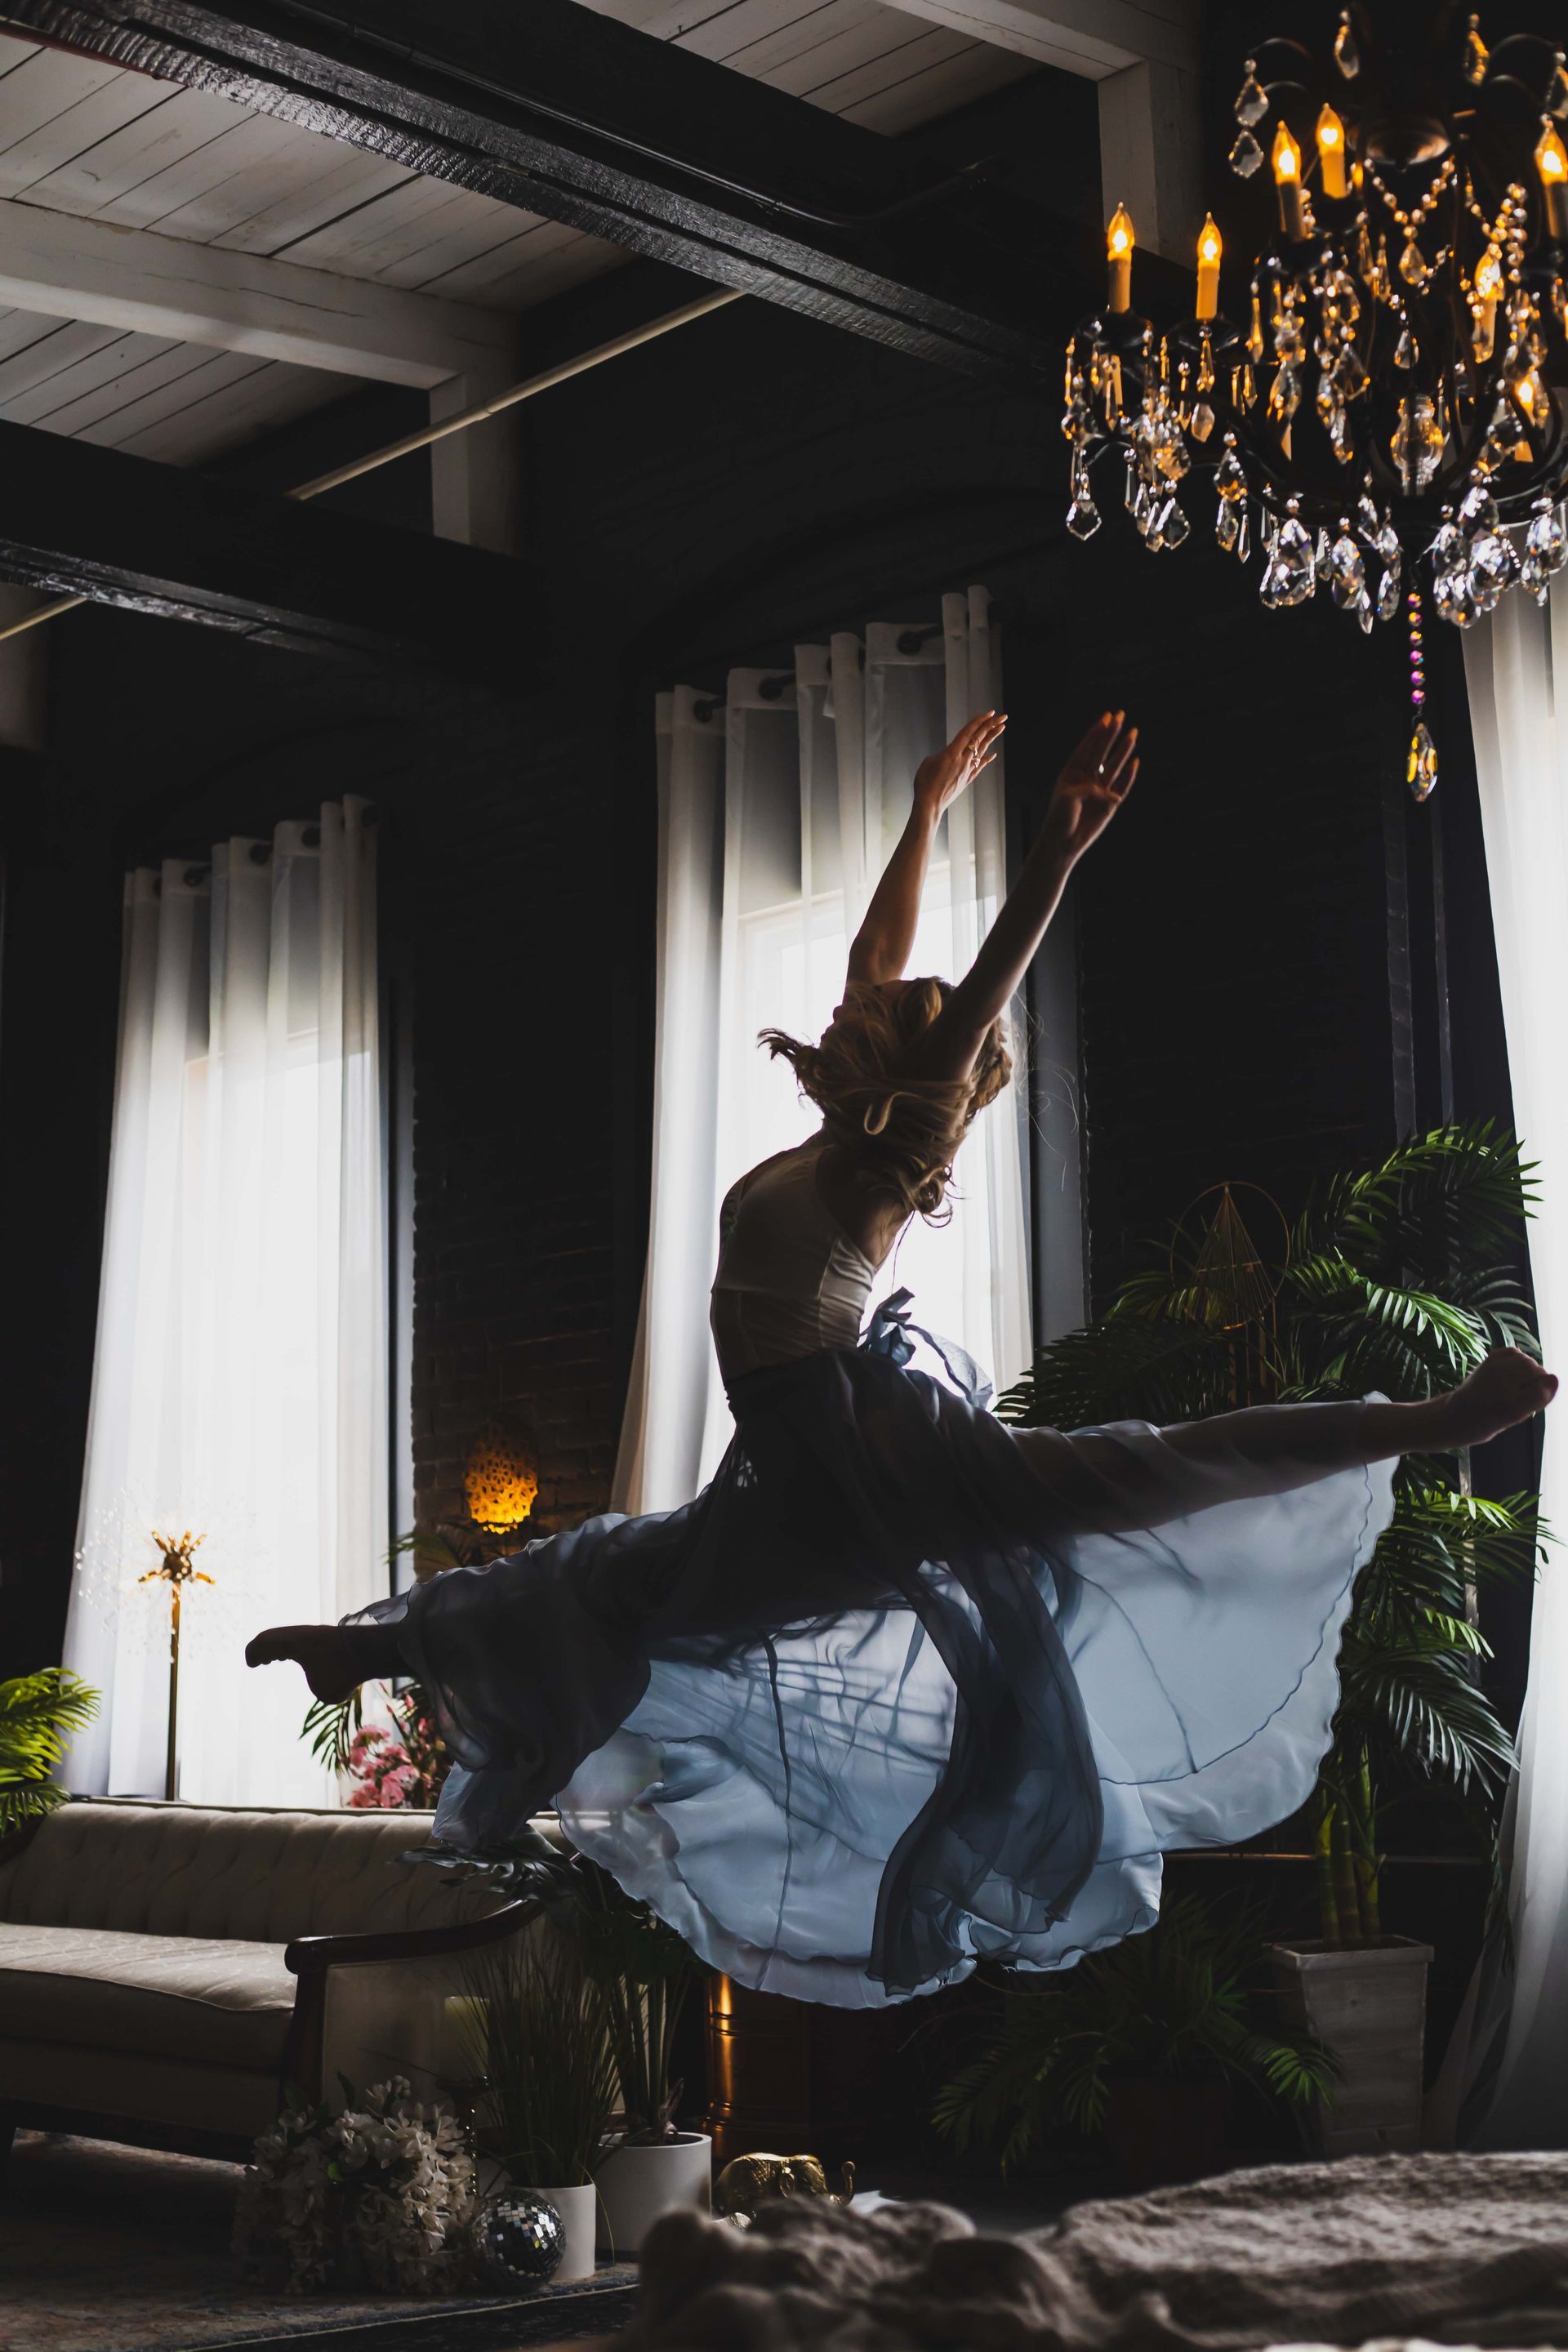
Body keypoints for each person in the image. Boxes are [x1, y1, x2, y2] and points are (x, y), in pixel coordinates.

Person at [248, 710, 1554, 2007]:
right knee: (603, 1580)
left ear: (911, 1068)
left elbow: (978, 988)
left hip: (872, 1452)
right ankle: (359, 1654)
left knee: (1151, 1470)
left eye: (880, 1013)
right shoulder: (827, 1141)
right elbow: (887, 953)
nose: (852, 998)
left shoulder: (885, 1160)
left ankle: (1435, 1418)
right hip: (787, 1474)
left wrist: (1056, 849)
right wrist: (926, 810)